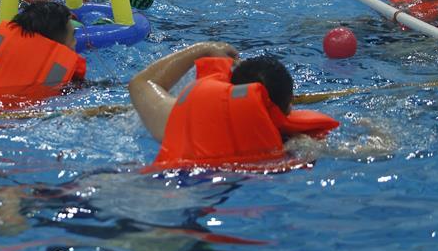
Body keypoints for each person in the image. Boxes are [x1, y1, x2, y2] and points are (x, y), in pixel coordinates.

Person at [128, 42, 339, 171]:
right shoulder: (298, 144)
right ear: (288, 105)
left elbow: (141, 84)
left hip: (163, 181)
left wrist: (204, 49)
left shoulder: (180, 125)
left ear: (228, 90)